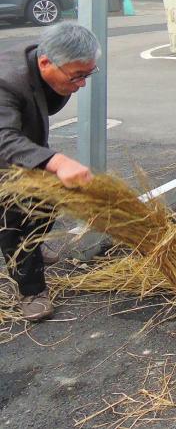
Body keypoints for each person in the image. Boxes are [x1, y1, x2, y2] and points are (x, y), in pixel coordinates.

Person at [0, 23, 99, 322]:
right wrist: (57, 162)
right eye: (78, 76)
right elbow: (3, 138)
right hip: (4, 145)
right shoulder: (6, 81)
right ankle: (31, 290)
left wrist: (48, 163)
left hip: (20, 143)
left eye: (88, 74)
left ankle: (34, 246)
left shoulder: (48, 57)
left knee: (48, 199)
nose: (82, 84)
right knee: (14, 219)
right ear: (45, 63)